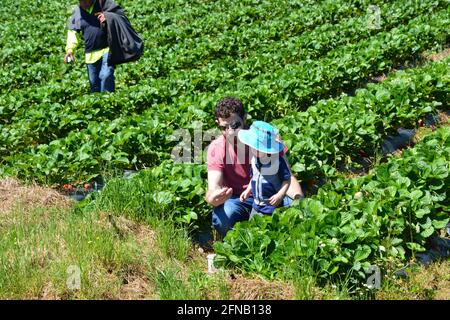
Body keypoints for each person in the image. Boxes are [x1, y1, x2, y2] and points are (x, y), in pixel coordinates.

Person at [205, 97, 304, 238]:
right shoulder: (216, 148)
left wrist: (298, 200)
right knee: (223, 218)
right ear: (217, 124)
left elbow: (287, 176)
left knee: (297, 210)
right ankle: (245, 241)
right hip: (239, 199)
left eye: (234, 125)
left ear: (245, 118)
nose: (230, 132)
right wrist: (212, 198)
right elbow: (213, 188)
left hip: (271, 194)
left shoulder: (266, 139)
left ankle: (277, 238)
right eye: (223, 127)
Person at [238, 121, 293, 219]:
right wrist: (247, 190)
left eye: (255, 147)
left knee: (272, 229)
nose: (252, 149)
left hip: (273, 205)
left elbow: (287, 180)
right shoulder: (254, 159)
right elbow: (254, 178)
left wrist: (280, 195)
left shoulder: (277, 161)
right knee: (253, 228)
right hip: (257, 205)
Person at [64, 0, 115, 93]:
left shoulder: (103, 5)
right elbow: (72, 32)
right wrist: (70, 50)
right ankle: (98, 104)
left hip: (107, 49)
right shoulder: (76, 12)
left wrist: (108, 17)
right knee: (94, 84)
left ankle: (108, 100)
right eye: (82, 1)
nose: (85, 3)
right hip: (90, 55)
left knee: (106, 75)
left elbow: (118, 15)